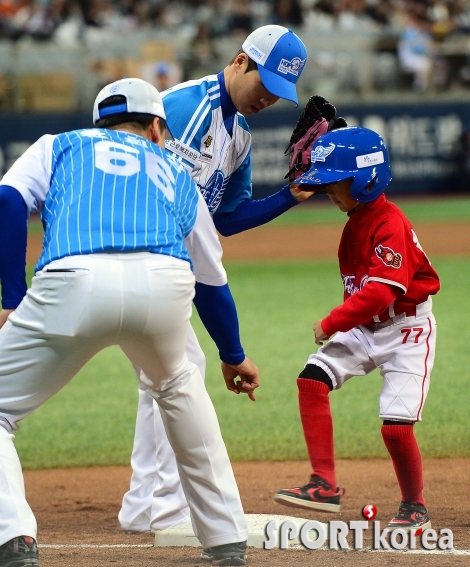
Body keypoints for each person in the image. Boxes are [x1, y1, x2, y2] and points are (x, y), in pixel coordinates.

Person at [0, 77, 260, 567]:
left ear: (98, 122)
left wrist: (12, 297)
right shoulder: (176, 171)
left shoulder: (60, 145)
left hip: (74, 279)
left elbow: (9, 202)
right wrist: (233, 354)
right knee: (181, 389)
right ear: (159, 128)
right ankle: (226, 538)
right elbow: (211, 280)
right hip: (164, 284)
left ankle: (14, 536)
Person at [118, 24, 316, 535]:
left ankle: (148, 501)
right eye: (265, 83)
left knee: (166, 372)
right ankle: (154, 504)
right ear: (239, 61)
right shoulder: (181, 108)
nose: (269, 97)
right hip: (133, 251)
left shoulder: (241, 136)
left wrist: (288, 197)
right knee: (177, 366)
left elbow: (223, 218)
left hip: (167, 263)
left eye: (280, 92)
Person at [273, 127, 440, 531]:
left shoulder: (388, 223)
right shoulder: (355, 221)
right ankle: (324, 484)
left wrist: (332, 322)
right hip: (367, 327)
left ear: (366, 181)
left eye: (336, 182)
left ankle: (414, 504)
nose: (329, 190)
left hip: (406, 331)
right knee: (312, 381)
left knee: (396, 429)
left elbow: (382, 294)